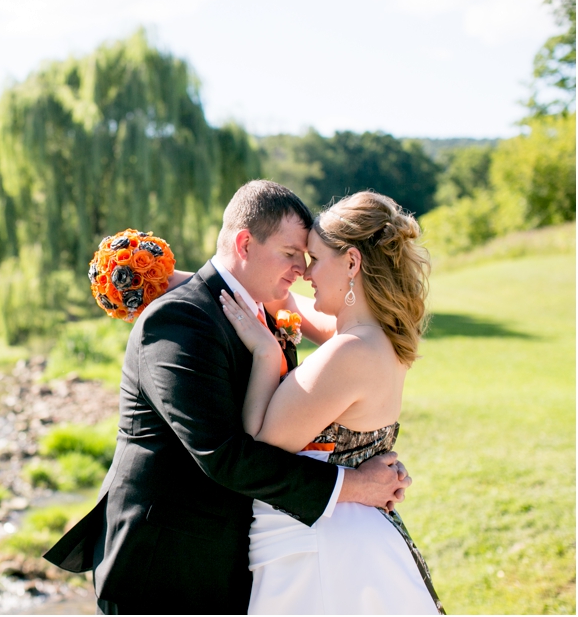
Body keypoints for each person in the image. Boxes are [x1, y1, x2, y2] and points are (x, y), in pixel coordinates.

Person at [43, 180, 411, 614]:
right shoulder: (182, 318)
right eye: (291, 254)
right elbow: (224, 454)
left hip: (229, 558)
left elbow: (345, 331)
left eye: (308, 258)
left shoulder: (264, 310)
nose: (301, 270)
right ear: (244, 244)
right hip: (166, 565)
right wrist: (355, 484)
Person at [219, 190, 443, 614]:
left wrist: (267, 355)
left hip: (320, 548)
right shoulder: (383, 337)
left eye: (316, 259)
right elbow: (279, 298)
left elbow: (259, 444)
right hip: (350, 536)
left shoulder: (349, 353)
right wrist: (166, 278)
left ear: (353, 263)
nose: (304, 272)